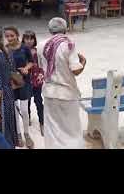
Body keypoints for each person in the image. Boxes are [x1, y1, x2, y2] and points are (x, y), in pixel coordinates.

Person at [37, 17, 87, 149]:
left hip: (49, 93)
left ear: (49, 29)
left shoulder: (41, 45)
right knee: (72, 130)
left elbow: (42, 67)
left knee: (53, 131)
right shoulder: (68, 44)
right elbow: (76, 70)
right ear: (65, 29)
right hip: (67, 94)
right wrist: (83, 63)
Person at [4, 26, 34, 149]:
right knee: (15, 111)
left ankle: (27, 133)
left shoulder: (24, 48)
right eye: (7, 36)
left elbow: (31, 61)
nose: (10, 38)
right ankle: (18, 135)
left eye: (12, 35)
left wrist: (26, 68)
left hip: (24, 82)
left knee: (25, 110)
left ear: (17, 35)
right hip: (11, 84)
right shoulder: (5, 49)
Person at [22, 30, 44, 136]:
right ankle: (28, 119)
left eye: (31, 38)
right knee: (27, 102)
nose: (29, 41)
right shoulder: (21, 51)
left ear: (34, 40)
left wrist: (41, 75)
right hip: (26, 81)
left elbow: (41, 64)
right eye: (27, 38)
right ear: (23, 39)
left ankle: (42, 123)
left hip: (37, 81)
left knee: (39, 101)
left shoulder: (38, 51)